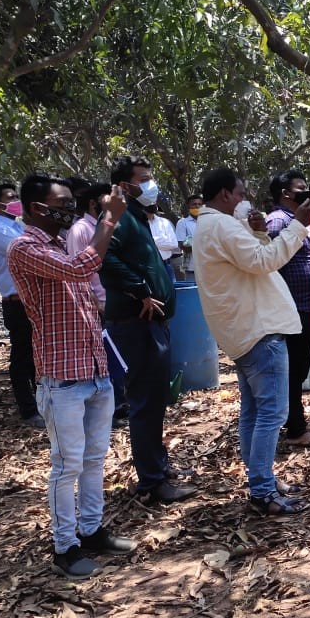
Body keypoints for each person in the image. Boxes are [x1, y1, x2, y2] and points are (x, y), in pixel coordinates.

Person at [8, 174, 137, 579]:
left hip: (94, 371)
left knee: (95, 459)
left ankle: (92, 529)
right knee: (67, 466)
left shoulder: (61, 243)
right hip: (62, 379)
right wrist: (109, 221)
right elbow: (81, 268)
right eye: (61, 204)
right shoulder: (25, 247)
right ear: (35, 209)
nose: (69, 210)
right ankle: (65, 547)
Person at [195, 168, 310, 515]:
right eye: (241, 192)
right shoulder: (221, 225)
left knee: (253, 411)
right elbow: (266, 261)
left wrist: (258, 233)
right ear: (225, 194)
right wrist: (299, 225)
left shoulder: (214, 226)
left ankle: (260, 478)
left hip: (244, 330)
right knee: (272, 414)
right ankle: (262, 490)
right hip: (259, 329)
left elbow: (252, 261)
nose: (245, 199)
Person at [102, 155, 196, 504]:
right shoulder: (117, 217)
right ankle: (152, 483)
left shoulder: (137, 218)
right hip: (135, 323)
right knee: (145, 402)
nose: (150, 183)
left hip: (151, 323)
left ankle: (158, 467)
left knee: (155, 400)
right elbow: (103, 259)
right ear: (125, 185)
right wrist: (139, 290)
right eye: (143, 178)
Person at [266, 169, 310, 447]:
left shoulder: (295, 220)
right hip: (294, 308)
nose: (307, 191)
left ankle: (295, 421)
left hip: (306, 306)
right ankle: (296, 430)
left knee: (298, 368)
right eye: (301, 187)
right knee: (294, 369)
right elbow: (272, 260)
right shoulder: (278, 221)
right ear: (286, 194)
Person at [65, 181, 129, 426]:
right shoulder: (80, 230)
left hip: (114, 302)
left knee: (117, 358)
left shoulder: (104, 227)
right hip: (98, 305)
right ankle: (110, 412)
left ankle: (120, 404)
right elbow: (77, 273)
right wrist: (94, 304)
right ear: (93, 203)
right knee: (106, 359)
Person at [0, 182, 41, 427]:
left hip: (28, 300)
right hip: (16, 302)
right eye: (11, 197)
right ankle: (28, 410)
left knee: (33, 356)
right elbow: (31, 253)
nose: (16, 200)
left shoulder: (15, 226)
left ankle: (38, 404)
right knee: (22, 356)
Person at [146, 204, 181, 282]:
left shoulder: (164, 222)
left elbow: (174, 244)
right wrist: (163, 240)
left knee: (173, 292)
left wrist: (151, 241)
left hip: (166, 265)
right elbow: (141, 243)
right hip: (148, 266)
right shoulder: (138, 222)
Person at [174, 194, 203, 280]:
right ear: (188, 206)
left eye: (199, 204)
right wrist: (204, 245)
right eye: (194, 204)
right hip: (192, 267)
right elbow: (182, 246)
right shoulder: (183, 223)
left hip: (208, 267)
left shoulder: (208, 222)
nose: (197, 206)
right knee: (193, 292)